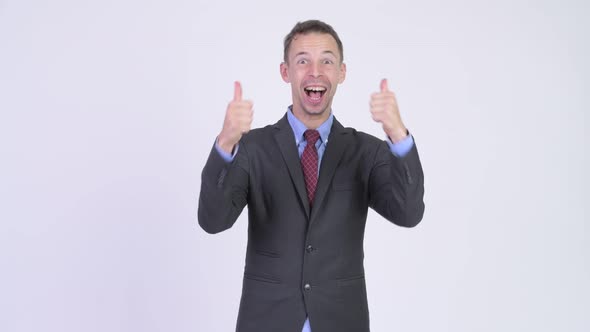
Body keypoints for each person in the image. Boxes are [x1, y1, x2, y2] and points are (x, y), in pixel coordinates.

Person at [198, 19, 425, 332]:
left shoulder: (366, 152)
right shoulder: (252, 148)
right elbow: (213, 220)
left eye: (327, 61)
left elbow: (409, 213)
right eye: (303, 61)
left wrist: (398, 134)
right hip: (266, 321)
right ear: (285, 72)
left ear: (341, 73)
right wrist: (225, 142)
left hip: (341, 321)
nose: (315, 72)